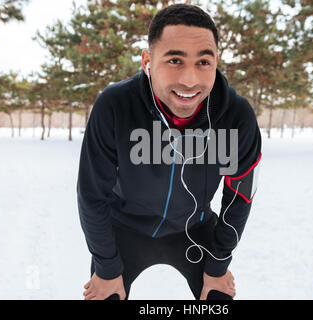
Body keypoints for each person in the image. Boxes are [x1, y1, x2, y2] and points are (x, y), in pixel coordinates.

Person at [77, 3, 262, 300]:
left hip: (195, 230)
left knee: (218, 299)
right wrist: (107, 268)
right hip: (125, 230)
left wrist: (218, 266)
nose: (190, 80)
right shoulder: (115, 106)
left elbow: (239, 197)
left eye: (203, 62)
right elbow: (92, 194)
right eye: (175, 60)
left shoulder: (235, 116)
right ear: (147, 61)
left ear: (216, 61)